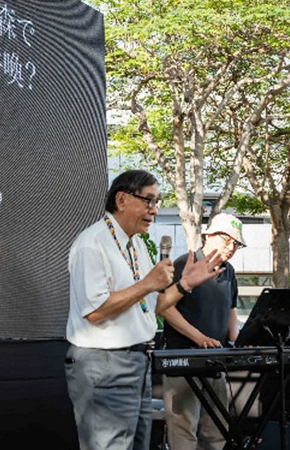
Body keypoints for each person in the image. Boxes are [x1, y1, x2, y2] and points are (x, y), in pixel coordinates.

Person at [65, 170, 225, 450]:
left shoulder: (136, 244)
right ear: (122, 200)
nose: (154, 210)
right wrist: (148, 283)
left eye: (157, 202)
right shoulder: (92, 243)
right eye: (148, 201)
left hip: (137, 361)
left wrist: (185, 284)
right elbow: (95, 312)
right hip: (104, 363)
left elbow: (152, 307)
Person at [157, 212, 246, 450]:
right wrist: (199, 338)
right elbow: (164, 308)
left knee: (217, 428)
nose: (231, 247)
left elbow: (231, 308)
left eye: (236, 244)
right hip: (182, 358)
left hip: (216, 359)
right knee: (184, 428)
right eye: (227, 240)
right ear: (209, 235)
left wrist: (238, 341)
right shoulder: (184, 263)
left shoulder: (229, 271)